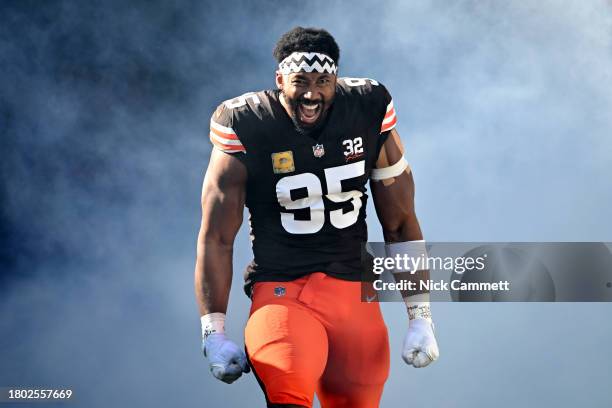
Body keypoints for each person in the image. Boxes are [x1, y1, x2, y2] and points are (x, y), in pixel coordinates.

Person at [194, 26, 439, 408]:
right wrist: (213, 330)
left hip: (356, 298)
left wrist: (420, 315)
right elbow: (217, 237)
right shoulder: (246, 123)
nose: (311, 94)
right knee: (288, 393)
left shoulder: (367, 108)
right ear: (279, 80)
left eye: (322, 81)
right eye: (300, 82)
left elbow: (400, 222)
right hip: (283, 293)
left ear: (336, 79)